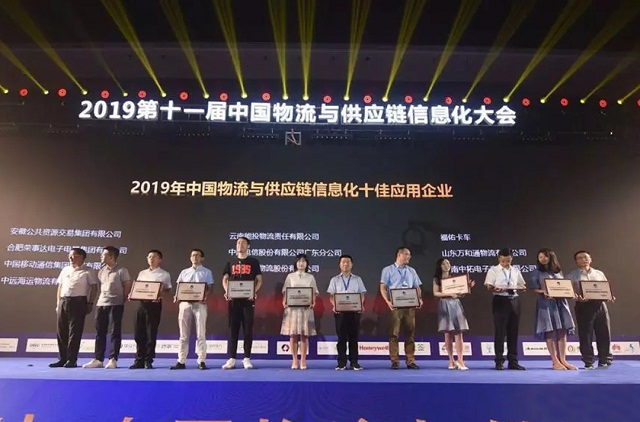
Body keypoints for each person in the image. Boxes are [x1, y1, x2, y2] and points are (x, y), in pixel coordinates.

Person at [83, 246, 131, 369]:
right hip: (101, 303)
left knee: (115, 332)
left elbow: (127, 286)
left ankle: (113, 359)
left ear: (111, 257)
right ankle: (98, 359)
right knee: (100, 332)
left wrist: (122, 300)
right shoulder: (101, 271)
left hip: (116, 304)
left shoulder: (122, 270)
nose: (101, 256)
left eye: (103, 254)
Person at [529, 248, 577, 370]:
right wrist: (543, 292)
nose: (543, 259)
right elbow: (533, 288)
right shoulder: (536, 272)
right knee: (549, 331)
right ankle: (555, 361)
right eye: (540, 257)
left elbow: (563, 286)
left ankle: (563, 360)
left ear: (551, 257)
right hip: (546, 304)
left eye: (545, 256)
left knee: (562, 330)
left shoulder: (558, 271)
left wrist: (569, 293)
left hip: (561, 303)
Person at [50, 248, 98, 368]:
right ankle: (62, 359)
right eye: (70, 256)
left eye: (74, 256)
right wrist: (58, 303)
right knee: (61, 331)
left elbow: (94, 288)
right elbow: (60, 287)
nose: (71, 258)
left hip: (78, 302)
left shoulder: (88, 271)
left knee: (75, 332)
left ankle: (72, 359)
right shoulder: (65, 269)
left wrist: (90, 303)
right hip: (63, 301)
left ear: (81, 257)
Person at [221, 236, 263, 370]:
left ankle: (246, 358)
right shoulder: (230, 262)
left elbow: (259, 279)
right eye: (238, 243)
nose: (240, 245)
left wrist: (254, 292)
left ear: (248, 246)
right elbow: (225, 279)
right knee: (233, 329)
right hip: (234, 300)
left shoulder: (253, 262)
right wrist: (227, 291)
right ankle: (231, 359)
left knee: (248, 329)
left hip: (248, 300)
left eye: (243, 243)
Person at [568, 250, 614, 369]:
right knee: (585, 334)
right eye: (580, 258)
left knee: (604, 333)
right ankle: (588, 361)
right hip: (583, 306)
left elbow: (605, 288)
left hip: (600, 305)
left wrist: (610, 296)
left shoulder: (599, 273)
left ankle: (604, 359)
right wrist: (576, 296)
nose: (584, 259)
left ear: (590, 259)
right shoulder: (572, 275)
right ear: (576, 261)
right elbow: (569, 291)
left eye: (586, 257)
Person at [379, 247, 423, 370]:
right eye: (407, 254)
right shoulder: (387, 270)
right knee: (394, 334)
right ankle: (395, 361)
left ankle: (410, 361)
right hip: (395, 306)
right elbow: (383, 287)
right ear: (399, 254)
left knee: (410, 334)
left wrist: (419, 298)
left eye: (410, 254)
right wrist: (387, 301)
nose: (409, 257)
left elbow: (417, 287)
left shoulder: (412, 271)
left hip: (410, 306)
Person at [170, 249, 214, 370]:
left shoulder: (206, 272)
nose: (194, 257)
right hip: (185, 304)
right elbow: (179, 287)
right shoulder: (184, 272)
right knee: (183, 334)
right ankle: (181, 361)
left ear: (202, 258)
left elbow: (210, 287)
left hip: (200, 304)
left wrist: (205, 297)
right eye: (193, 255)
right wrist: (177, 296)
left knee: (201, 333)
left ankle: (201, 361)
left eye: (197, 255)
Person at [129, 249, 172, 369]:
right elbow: (138, 288)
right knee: (139, 333)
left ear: (160, 259)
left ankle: (148, 360)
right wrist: (133, 294)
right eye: (149, 257)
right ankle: (139, 359)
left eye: (154, 257)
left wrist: (160, 293)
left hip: (154, 305)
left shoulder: (164, 274)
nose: (151, 259)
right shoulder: (142, 273)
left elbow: (168, 290)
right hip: (142, 305)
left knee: (151, 333)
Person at [484, 248, 526, 370]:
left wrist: (522, 288)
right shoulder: (493, 270)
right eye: (503, 261)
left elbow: (522, 285)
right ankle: (499, 361)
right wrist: (495, 288)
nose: (505, 263)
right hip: (500, 300)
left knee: (513, 332)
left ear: (511, 258)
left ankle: (513, 361)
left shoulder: (515, 270)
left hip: (514, 300)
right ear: (499, 259)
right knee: (500, 332)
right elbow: (489, 286)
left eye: (508, 260)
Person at [432, 258, 474, 370]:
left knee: (459, 333)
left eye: (448, 263)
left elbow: (460, 294)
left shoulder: (454, 278)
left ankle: (460, 360)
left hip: (455, 304)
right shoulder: (437, 279)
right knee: (447, 333)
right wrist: (449, 294)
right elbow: (436, 293)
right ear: (440, 266)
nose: (447, 265)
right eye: (444, 263)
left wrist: (467, 287)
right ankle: (451, 360)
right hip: (445, 304)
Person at [327, 254, 366, 370]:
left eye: (348, 262)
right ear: (339, 264)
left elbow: (362, 294)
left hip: (354, 312)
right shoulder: (334, 279)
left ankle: (354, 362)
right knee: (341, 338)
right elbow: (331, 296)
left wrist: (360, 305)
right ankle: (341, 363)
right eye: (343, 262)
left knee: (354, 338)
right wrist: (335, 306)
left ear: (351, 264)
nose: (345, 264)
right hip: (340, 313)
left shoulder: (357, 279)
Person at [281, 253, 318, 370]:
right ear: (295, 263)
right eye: (299, 261)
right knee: (293, 335)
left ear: (307, 264)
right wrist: (284, 302)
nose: (301, 263)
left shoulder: (310, 277)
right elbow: (285, 291)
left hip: (305, 309)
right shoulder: (290, 276)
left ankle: (303, 361)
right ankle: (294, 360)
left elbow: (314, 292)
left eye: (303, 261)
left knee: (304, 335)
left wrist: (313, 302)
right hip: (292, 309)